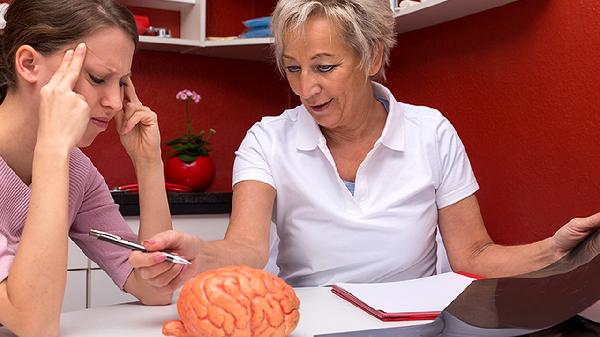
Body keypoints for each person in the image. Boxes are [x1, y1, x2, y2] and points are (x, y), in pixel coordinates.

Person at [131, 0, 600, 290]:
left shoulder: (431, 132)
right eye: (293, 68)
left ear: (372, 56)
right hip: (312, 320)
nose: (306, 88)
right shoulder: (267, 139)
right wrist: (199, 252)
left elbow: (473, 255)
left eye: (324, 67)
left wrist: (554, 250)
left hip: (419, 322)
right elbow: (248, 250)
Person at [0, 1, 181, 335]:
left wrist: (148, 163)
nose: (114, 102)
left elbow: (155, 288)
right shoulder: (61, 160)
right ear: (28, 64)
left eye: (123, 82)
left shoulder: (76, 171)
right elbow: (35, 324)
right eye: (98, 78)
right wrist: (53, 150)